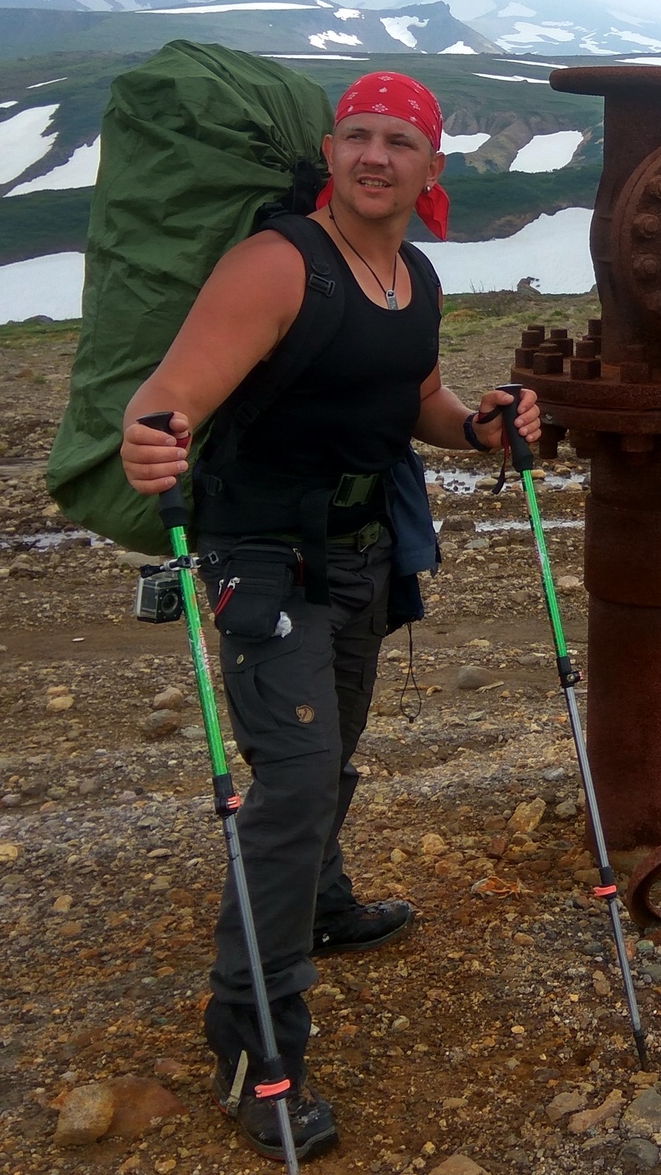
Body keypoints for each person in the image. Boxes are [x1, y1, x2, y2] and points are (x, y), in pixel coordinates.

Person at [120, 70, 539, 1162]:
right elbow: (170, 396)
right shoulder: (277, 264)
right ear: (329, 152)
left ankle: (319, 903)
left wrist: (481, 427)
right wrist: (148, 440)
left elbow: (419, 401)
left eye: (397, 140)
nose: (373, 156)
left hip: (359, 554)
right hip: (263, 560)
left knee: (334, 747)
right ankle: (253, 1045)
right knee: (296, 782)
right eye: (356, 135)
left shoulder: (413, 275)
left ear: (431, 164)